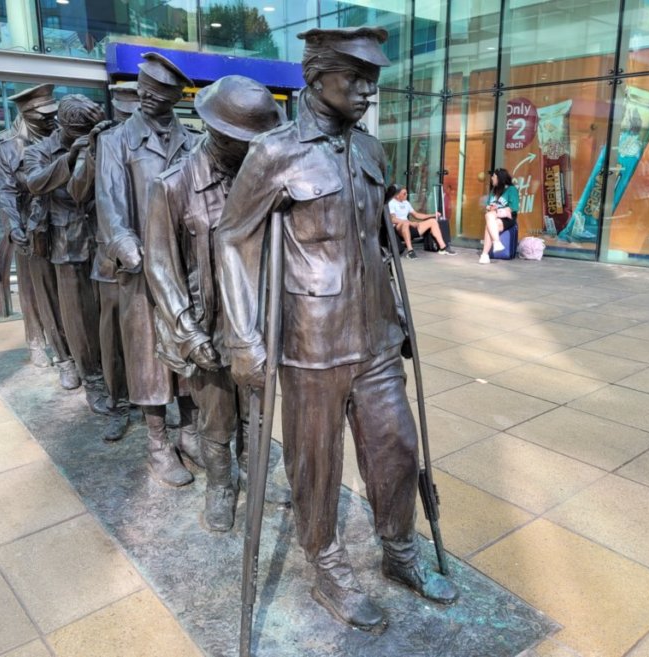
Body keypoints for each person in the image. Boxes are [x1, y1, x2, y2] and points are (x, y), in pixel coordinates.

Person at [216, 27, 458, 631]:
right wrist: (243, 338)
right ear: (315, 76)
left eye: (372, 79)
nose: (367, 90)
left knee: (397, 449)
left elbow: (380, 243)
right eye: (354, 77)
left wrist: (397, 317)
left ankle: (399, 550)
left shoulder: (373, 152)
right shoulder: (274, 153)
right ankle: (326, 564)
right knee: (315, 463)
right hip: (310, 339)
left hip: (375, 335)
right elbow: (232, 240)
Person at [145, 75, 287, 531]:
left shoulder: (264, 179)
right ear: (214, 131)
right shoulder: (171, 186)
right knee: (217, 418)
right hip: (207, 324)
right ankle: (220, 485)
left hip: (256, 319)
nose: (250, 149)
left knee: (257, 412)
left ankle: (254, 472)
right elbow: (160, 267)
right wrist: (188, 331)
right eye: (240, 140)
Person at [96, 52, 202, 486]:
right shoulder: (116, 141)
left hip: (187, 267)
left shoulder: (194, 141)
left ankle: (191, 431)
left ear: (177, 98)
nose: (149, 99)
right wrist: (129, 248)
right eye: (145, 91)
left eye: (161, 95)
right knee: (148, 360)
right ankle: (158, 443)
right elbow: (109, 204)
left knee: (191, 352)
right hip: (141, 273)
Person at [25, 94, 109, 415]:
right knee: (78, 317)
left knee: (107, 312)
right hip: (66, 240)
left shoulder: (100, 140)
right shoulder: (38, 151)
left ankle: (115, 376)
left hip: (102, 237)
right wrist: (70, 158)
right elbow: (34, 182)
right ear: (63, 126)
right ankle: (93, 380)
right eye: (78, 134)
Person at [0, 84, 78, 385]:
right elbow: (5, 192)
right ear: (26, 114)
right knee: (37, 289)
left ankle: (70, 348)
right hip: (31, 224)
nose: (49, 119)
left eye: (51, 113)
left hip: (64, 220)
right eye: (42, 115)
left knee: (65, 290)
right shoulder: (8, 146)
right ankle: (45, 345)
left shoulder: (60, 136)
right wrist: (13, 226)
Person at [67, 83, 138, 442]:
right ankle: (119, 404)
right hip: (110, 260)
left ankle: (156, 401)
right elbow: (76, 192)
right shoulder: (103, 141)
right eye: (124, 114)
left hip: (153, 256)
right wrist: (91, 155)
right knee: (112, 338)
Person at [388, 185, 455, 258]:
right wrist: (410, 223)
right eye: (404, 194)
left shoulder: (406, 203)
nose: (406, 195)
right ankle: (410, 251)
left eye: (407, 193)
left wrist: (433, 215)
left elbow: (416, 215)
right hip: (399, 228)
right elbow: (393, 219)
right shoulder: (391, 203)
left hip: (410, 227)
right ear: (397, 195)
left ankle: (443, 248)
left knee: (432, 221)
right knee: (405, 224)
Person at [479, 167, 519, 264]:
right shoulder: (494, 190)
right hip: (495, 218)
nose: (492, 178)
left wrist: (498, 210)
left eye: (493, 177)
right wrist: (491, 207)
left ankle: (485, 254)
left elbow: (513, 208)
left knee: (489, 218)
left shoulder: (511, 189)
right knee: (490, 221)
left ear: (499, 178)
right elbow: (488, 205)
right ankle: (494, 244)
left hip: (507, 218)